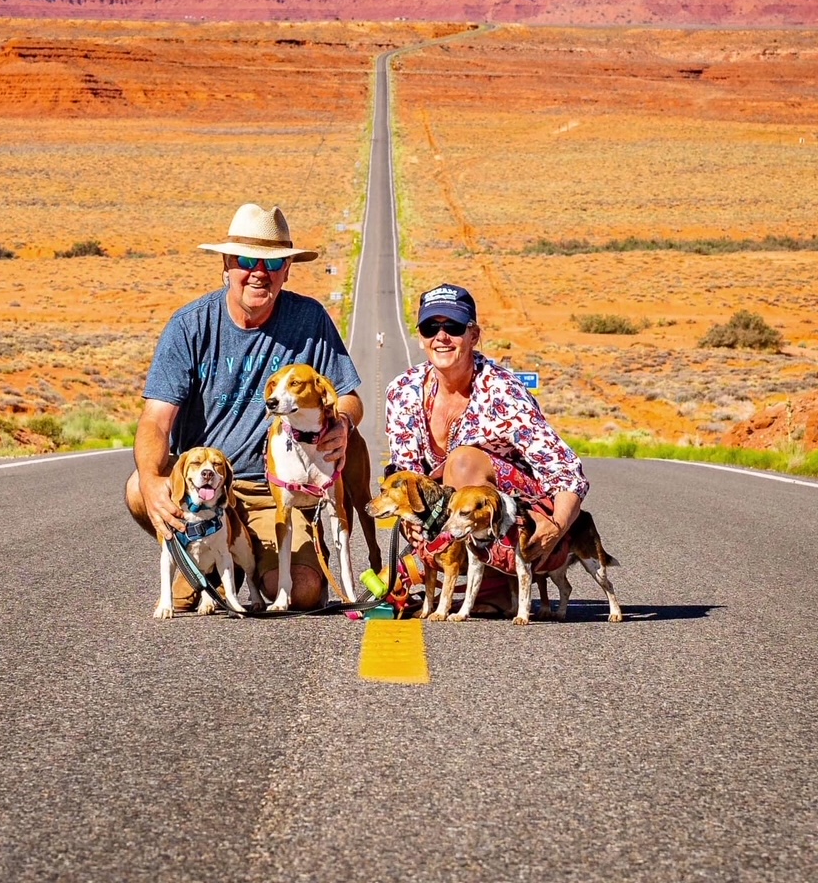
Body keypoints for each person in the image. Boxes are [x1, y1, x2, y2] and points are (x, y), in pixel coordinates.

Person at [125, 202, 366, 609]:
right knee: (137, 486)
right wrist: (152, 482)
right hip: (209, 487)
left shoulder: (309, 319)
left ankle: (253, 560)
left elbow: (349, 396)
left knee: (301, 592)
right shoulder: (190, 325)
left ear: (287, 270)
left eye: (272, 263)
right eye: (247, 260)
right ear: (226, 264)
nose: (259, 272)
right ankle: (214, 552)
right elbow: (155, 421)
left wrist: (342, 422)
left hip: (280, 490)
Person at [385, 283, 588, 570]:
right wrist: (410, 520)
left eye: (453, 327)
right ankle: (451, 566)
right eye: (430, 327)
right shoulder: (402, 390)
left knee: (463, 463)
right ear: (420, 337)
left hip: (521, 519)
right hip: (451, 519)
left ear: (474, 335)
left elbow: (565, 470)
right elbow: (408, 474)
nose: (441, 337)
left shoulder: (503, 390)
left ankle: (496, 586)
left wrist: (556, 526)